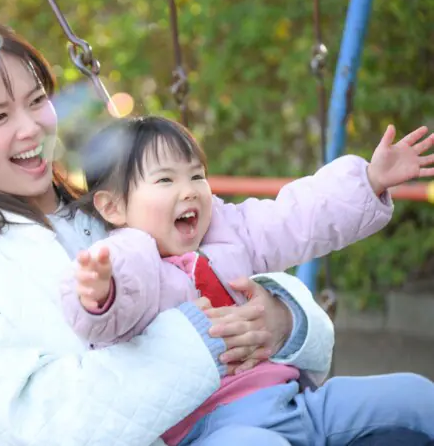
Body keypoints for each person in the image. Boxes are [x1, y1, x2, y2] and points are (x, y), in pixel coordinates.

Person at [0, 19, 432, 445]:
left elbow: (260, 241)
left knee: (411, 405)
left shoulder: (127, 202)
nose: (30, 127)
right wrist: (207, 335)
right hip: (217, 429)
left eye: (36, 101)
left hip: (275, 400)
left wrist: (282, 318)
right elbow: (28, 420)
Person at [58, 115, 434, 445]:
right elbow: (119, 303)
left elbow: (296, 217)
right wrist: (100, 293)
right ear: (113, 207)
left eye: (196, 176)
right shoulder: (130, 257)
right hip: (216, 426)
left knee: (413, 396)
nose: (189, 190)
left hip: (296, 401)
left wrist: (369, 180)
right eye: (165, 180)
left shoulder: (229, 230)